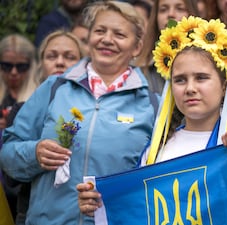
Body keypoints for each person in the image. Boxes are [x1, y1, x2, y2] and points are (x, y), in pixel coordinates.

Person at [0, 1, 155, 224]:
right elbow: (8, 155)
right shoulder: (54, 88)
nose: (107, 39)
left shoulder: (151, 105)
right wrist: (34, 154)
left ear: (137, 47)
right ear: (89, 37)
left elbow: (156, 183)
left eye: (119, 34)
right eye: (100, 31)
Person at [76, 16, 227, 216]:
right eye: (180, 80)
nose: (190, 88)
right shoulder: (156, 150)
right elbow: (138, 208)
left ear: (224, 86)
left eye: (201, 78)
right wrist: (100, 204)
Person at [3, 30, 85, 225]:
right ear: (40, 66)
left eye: (69, 56)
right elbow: (10, 177)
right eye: (51, 56)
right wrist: (35, 155)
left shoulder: (91, 112)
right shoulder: (21, 110)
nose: (59, 62)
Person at [135, 0, 200, 95]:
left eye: (180, 9)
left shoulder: (210, 60)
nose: (170, 14)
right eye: (163, 10)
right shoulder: (138, 68)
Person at [0, 34, 38, 130]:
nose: (14, 72)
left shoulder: (39, 95)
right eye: (7, 66)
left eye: (21, 67)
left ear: (30, 66)